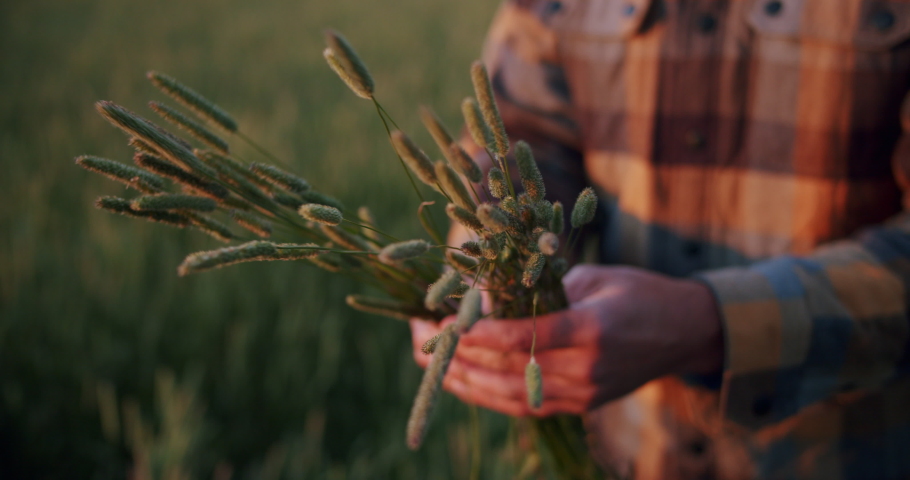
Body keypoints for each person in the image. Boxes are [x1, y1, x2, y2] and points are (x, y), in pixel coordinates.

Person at [409, 0, 910, 478]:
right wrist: (490, 255)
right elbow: (522, 138)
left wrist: (710, 325)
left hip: (845, 454)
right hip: (625, 452)